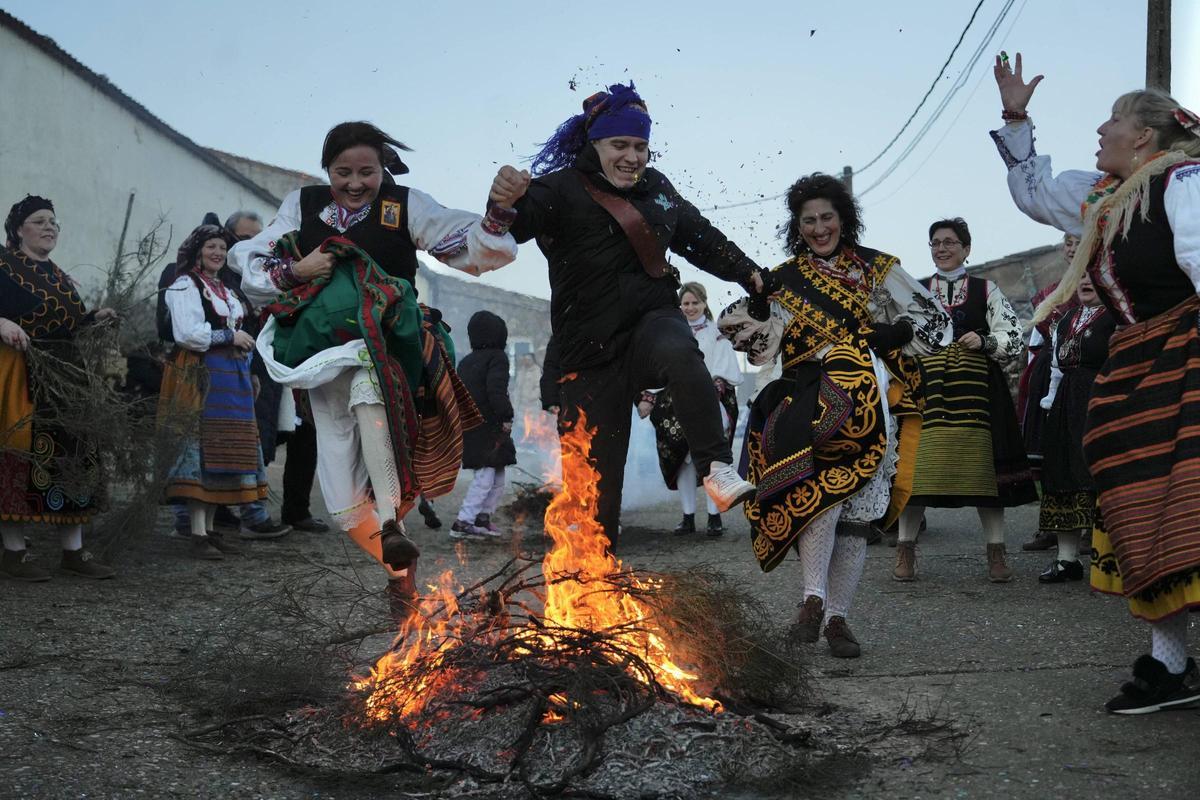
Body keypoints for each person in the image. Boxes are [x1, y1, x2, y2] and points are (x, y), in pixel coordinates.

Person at [230, 121, 518, 620]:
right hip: (322, 353)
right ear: (327, 170)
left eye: (367, 171)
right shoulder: (303, 205)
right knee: (344, 507)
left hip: (387, 342)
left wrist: (497, 212)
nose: (355, 182)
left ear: (382, 168)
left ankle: (389, 520)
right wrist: (297, 270)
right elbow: (253, 264)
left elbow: (464, 246)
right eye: (343, 172)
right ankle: (399, 570)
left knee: (371, 391)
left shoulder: (404, 205)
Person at [992, 51, 1200, 713]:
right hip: (1139, 363)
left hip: (1187, 358)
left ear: (1145, 136)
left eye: (1113, 120)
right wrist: (1016, 117)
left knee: (1190, 506)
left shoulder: (1184, 183)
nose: (1101, 129)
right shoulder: (1105, 198)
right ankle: (1171, 665)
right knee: (1143, 508)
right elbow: (1035, 194)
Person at [493, 82, 763, 548]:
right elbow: (509, 230)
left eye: (640, 146)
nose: (631, 157)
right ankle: (595, 572)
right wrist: (502, 200)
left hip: (650, 323)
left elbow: (702, 238)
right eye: (620, 144)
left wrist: (749, 273)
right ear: (595, 143)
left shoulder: (657, 189)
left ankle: (716, 468)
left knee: (681, 350)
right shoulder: (559, 188)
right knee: (596, 498)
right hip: (588, 349)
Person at [719, 173, 949, 658]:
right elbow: (746, 340)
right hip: (806, 402)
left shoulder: (877, 269)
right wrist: (759, 302)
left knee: (856, 512)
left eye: (827, 217)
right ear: (797, 227)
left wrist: (897, 332)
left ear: (844, 219)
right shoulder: (782, 279)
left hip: (869, 402)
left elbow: (936, 322)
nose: (819, 228)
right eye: (809, 221)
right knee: (819, 499)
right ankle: (813, 600)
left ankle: (838, 618)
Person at [892, 217, 1037, 584]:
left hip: (977, 389)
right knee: (917, 471)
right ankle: (905, 550)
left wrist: (984, 341)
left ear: (966, 248)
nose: (941, 248)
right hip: (928, 388)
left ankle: (996, 552)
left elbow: (1013, 337)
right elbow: (898, 337)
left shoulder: (987, 290)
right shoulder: (915, 292)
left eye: (949, 242)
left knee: (986, 473)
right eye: (935, 243)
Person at [0, 195, 116, 581]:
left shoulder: (58, 276)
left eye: (53, 222)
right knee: (18, 454)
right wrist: (2, 323)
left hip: (66, 378)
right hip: (20, 373)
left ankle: (74, 552)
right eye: (39, 221)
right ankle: (14, 553)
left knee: (73, 453)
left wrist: (94, 319)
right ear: (19, 229)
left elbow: (70, 324)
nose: (49, 227)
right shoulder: (3, 266)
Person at [160, 224, 268, 559]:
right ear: (197, 250)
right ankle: (195, 533)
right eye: (211, 247)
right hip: (199, 375)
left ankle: (207, 530)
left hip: (230, 378)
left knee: (223, 450)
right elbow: (187, 333)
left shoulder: (224, 289)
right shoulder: (184, 285)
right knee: (202, 451)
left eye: (222, 247)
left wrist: (247, 367)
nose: (218, 253)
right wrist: (228, 337)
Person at [643, 281, 743, 536]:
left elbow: (724, 367)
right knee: (683, 461)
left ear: (704, 303)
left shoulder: (716, 333)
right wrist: (649, 395)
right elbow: (657, 367)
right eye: (685, 303)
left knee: (712, 459)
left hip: (710, 402)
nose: (690, 308)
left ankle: (714, 516)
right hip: (675, 403)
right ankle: (687, 516)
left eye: (695, 303)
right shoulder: (670, 332)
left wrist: (714, 386)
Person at [1035, 274, 1113, 583]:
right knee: (1062, 474)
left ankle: (1111, 563)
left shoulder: (1117, 317)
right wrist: (1051, 403)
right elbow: (1056, 368)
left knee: (1097, 475)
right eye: (1081, 275)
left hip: (1101, 400)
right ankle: (1066, 560)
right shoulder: (1066, 319)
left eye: (1092, 275)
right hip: (1066, 404)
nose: (1085, 281)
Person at [1018, 234, 1079, 552]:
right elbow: (1036, 344)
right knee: (1051, 453)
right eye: (1068, 242)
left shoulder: (1110, 288)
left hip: (1086, 374)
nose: (1072, 248)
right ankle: (1052, 525)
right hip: (1050, 375)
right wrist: (1032, 384)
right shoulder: (1051, 294)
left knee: (1082, 453)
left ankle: (1091, 527)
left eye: (1079, 240)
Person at [452, 311, 516, 541]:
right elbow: (496, 390)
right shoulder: (497, 358)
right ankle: (463, 522)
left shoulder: (466, 361)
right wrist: (506, 416)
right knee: (487, 476)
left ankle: (482, 518)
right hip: (489, 426)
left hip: (470, 424)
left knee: (496, 474)